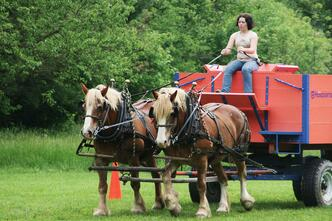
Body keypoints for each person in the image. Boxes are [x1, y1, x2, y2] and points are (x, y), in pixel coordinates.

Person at [220, 13, 260, 93]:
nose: (240, 24)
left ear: (247, 23)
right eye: (239, 22)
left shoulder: (253, 35)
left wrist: (243, 49)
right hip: (240, 60)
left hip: (251, 60)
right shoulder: (234, 35)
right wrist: (225, 51)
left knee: (245, 69)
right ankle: (224, 92)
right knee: (228, 68)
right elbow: (228, 49)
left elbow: (252, 49)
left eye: (243, 22)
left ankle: (248, 93)